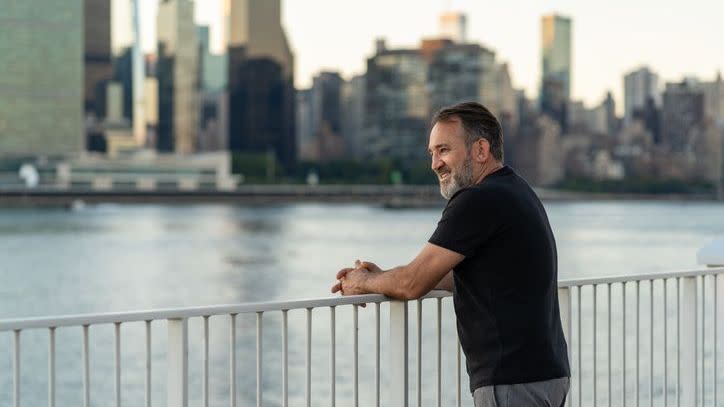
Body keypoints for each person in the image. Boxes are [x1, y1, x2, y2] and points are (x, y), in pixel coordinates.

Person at [331, 102, 570, 406]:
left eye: (443, 150)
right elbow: (470, 274)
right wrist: (380, 278)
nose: (435, 163)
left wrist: (361, 282)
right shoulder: (517, 191)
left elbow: (411, 283)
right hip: (547, 374)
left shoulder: (476, 200)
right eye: (432, 152)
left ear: (481, 150)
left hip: (513, 381)